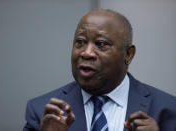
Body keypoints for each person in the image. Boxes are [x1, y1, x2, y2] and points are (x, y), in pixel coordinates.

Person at [23, 9, 176, 131]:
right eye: (80, 42)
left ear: (128, 55)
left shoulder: (168, 109)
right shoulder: (42, 112)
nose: (86, 53)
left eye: (101, 44)